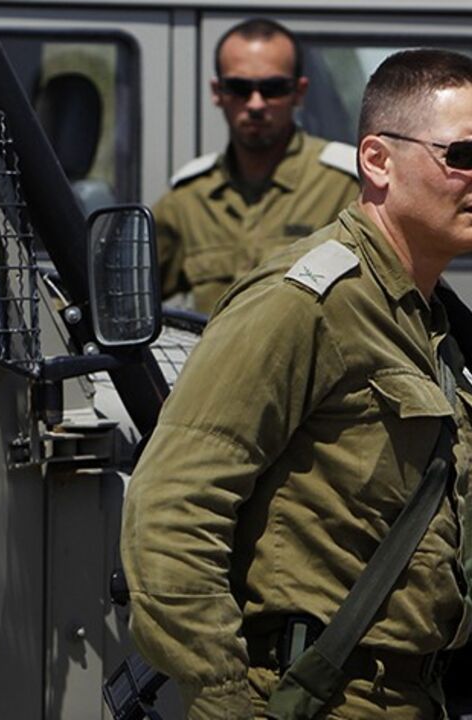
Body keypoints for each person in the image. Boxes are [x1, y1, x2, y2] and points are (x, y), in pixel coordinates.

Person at [121, 48, 472, 718]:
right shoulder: (306, 301)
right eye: (463, 156)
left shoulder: (430, 318)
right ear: (377, 161)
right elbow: (171, 506)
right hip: (313, 697)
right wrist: (225, 702)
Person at [154, 18, 358, 314]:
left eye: (273, 88)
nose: (256, 103)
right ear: (217, 91)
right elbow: (116, 293)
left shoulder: (345, 187)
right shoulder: (189, 199)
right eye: (239, 87)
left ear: (299, 92)